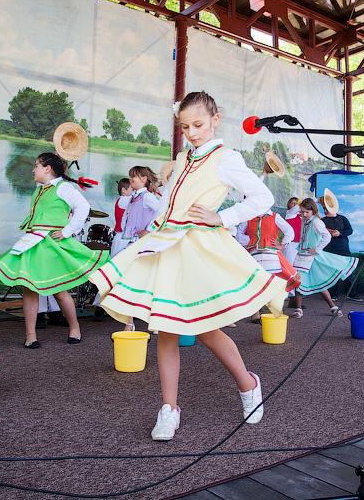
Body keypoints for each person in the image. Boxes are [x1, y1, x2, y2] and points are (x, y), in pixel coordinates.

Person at [90, 91, 285, 442]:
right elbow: (169, 200)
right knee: (165, 328)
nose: (192, 132)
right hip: (166, 245)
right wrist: (153, 228)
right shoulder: (182, 158)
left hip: (200, 247)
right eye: (185, 126)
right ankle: (169, 408)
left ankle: (248, 383)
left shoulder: (227, 158)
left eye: (197, 124)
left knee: (208, 330)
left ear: (215, 118)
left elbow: (263, 198)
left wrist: (221, 217)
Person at [0, 152, 108, 347]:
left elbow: (83, 207)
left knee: (59, 290)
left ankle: (75, 327)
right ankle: (30, 335)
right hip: (33, 243)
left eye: (36, 165)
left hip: (51, 244)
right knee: (29, 288)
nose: (33, 169)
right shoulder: (40, 189)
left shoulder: (63, 188)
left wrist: (67, 231)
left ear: (47, 169)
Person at [290, 197, 358, 318]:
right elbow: (292, 210)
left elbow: (327, 236)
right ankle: (300, 309)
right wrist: (309, 201)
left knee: (314, 281)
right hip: (302, 254)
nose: (304, 214)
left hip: (310, 256)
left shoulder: (316, 222)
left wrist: (316, 249)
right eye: (302, 211)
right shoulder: (305, 220)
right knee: (299, 281)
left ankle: (331, 306)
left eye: (307, 212)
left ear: (313, 211)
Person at [235, 205, 300, 322]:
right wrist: (251, 240)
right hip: (254, 255)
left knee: (271, 284)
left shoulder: (275, 216)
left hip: (270, 256)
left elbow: (289, 231)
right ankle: (256, 314)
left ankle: (275, 312)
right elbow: (239, 234)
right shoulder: (249, 217)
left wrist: (282, 244)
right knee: (256, 284)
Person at [120, 165, 162, 331]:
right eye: (130, 177)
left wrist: (150, 229)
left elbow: (162, 211)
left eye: (134, 177)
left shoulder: (147, 197)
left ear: (144, 179)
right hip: (133, 242)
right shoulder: (133, 197)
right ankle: (129, 322)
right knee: (131, 280)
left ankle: (154, 322)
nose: (131, 180)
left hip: (144, 244)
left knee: (149, 282)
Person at [320, 191, 355, 300]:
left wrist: (339, 233)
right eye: (324, 208)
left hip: (343, 249)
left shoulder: (343, 218)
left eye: (326, 208)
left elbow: (350, 230)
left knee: (347, 272)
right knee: (331, 272)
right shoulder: (322, 220)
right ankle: (332, 295)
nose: (325, 210)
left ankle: (351, 294)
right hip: (329, 249)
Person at [109, 177, 132, 257]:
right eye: (132, 189)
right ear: (123, 190)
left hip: (123, 237)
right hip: (121, 237)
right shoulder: (124, 200)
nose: (134, 191)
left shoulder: (125, 200)